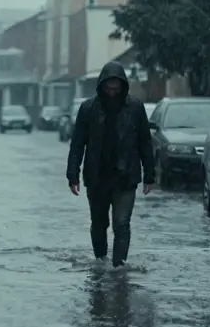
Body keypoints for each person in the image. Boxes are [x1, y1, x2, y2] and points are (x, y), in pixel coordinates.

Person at [66, 61, 155, 268]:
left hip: (126, 176)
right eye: (109, 88)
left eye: (116, 89)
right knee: (99, 224)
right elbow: (77, 144)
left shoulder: (135, 108)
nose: (112, 93)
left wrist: (149, 175)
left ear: (123, 86)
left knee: (122, 224)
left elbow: (145, 142)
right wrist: (72, 175)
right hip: (97, 177)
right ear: (102, 86)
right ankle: (100, 262)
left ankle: (119, 268)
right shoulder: (88, 108)